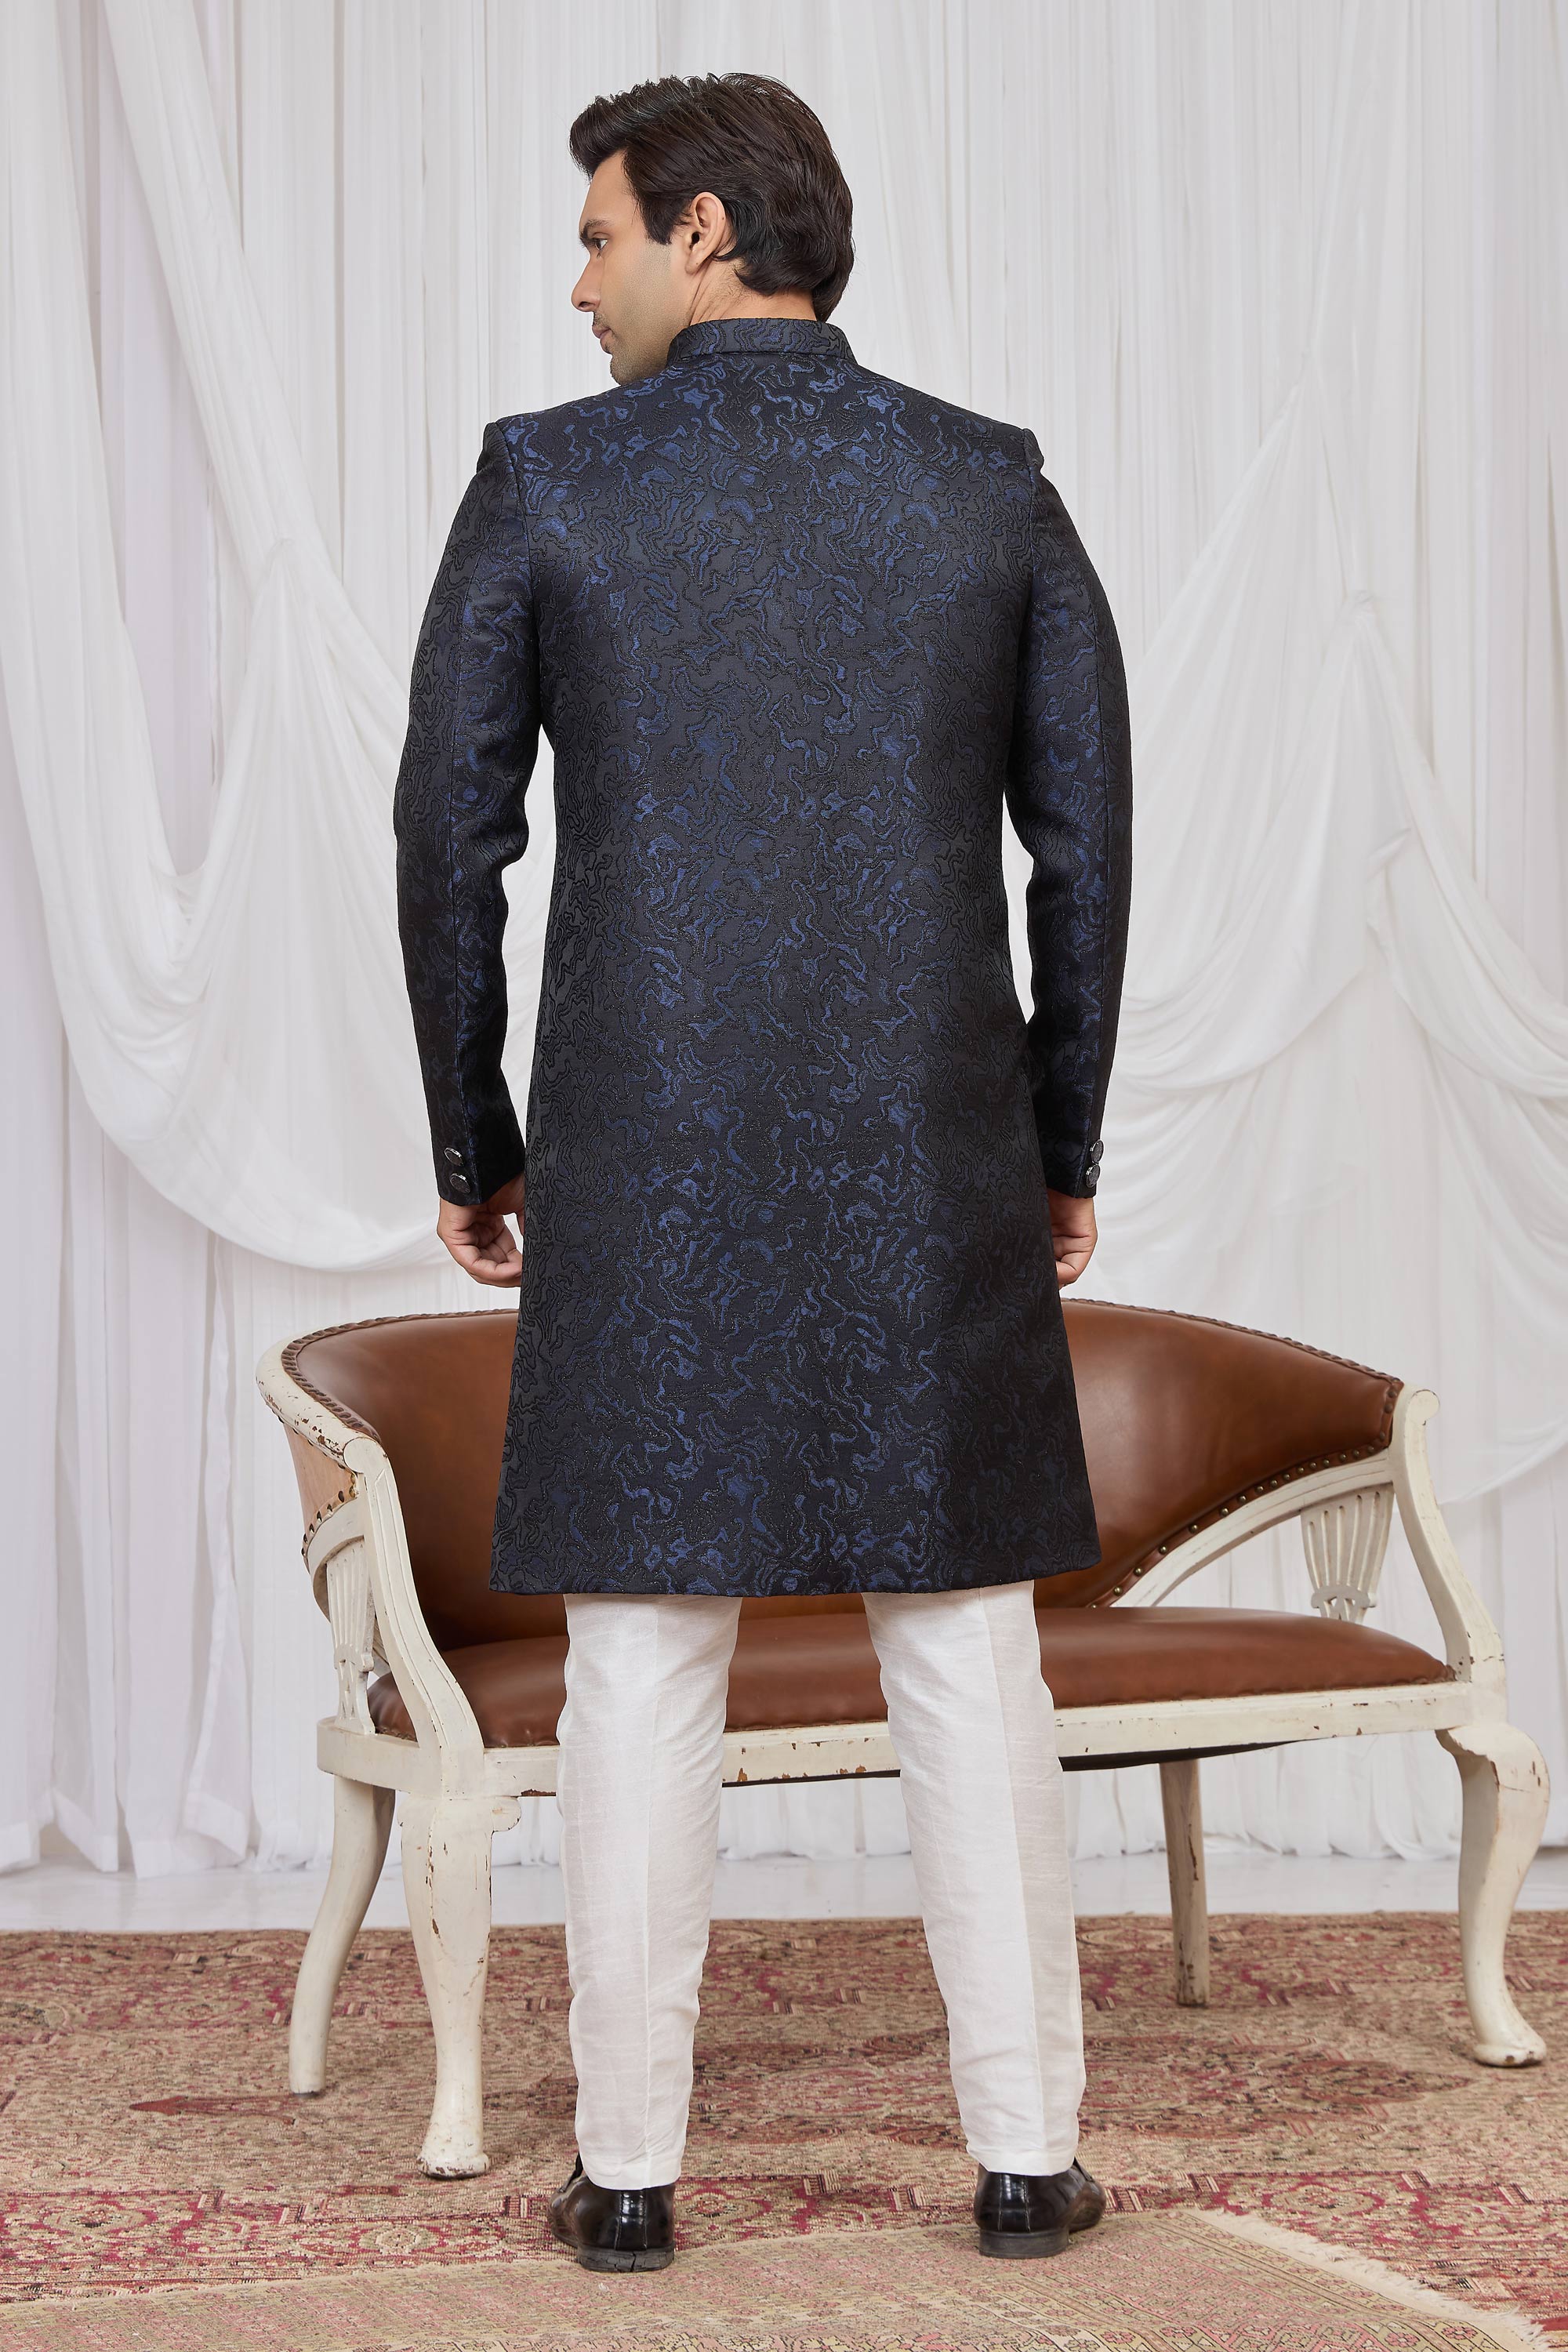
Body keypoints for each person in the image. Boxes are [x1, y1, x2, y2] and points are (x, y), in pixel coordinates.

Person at [392, 71, 1133, 2276]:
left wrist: (476, 1136)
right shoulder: (990, 483)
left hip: (642, 1150)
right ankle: (1028, 2158)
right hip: (937, 1150)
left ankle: (628, 2178)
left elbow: (449, 836)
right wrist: (1060, 1136)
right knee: (968, 1643)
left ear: (705, 231)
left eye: (601, 234)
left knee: (639, 1648)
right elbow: (1086, 843)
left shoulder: (547, 480)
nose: (582, 282)